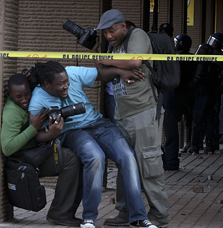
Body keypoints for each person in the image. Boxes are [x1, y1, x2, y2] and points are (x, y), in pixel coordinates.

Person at [28, 61, 156, 228]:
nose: (66, 85)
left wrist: (119, 71)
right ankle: (89, 218)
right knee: (95, 157)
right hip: (73, 132)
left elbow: (100, 74)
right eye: (60, 84)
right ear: (46, 84)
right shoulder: (38, 99)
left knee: (127, 156)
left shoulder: (71, 73)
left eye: (67, 81)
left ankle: (138, 217)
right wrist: (51, 133)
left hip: (98, 123)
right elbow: (34, 133)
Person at [90, 9, 169, 227]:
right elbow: (101, 70)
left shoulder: (137, 36)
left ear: (123, 25)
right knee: (125, 164)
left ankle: (159, 214)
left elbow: (134, 62)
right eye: (105, 33)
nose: (108, 36)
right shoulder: (114, 46)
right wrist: (112, 63)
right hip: (122, 114)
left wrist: (109, 62)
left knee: (148, 163)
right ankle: (125, 211)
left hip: (144, 111)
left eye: (112, 30)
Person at [0, 73, 83, 227]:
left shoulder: (31, 98)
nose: (24, 99)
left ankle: (64, 212)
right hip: (24, 160)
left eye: (27, 94)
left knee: (80, 156)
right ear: (10, 95)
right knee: (70, 160)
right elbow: (7, 148)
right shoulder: (12, 112)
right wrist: (34, 128)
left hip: (36, 151)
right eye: (18, 96)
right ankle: (59, 213)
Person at [158, 23, 181, 170]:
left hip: (164, 90)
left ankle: (169, 159)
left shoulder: (157, 48)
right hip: (169, 90)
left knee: (166, 126)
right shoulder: (173, 49)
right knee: (169, 126)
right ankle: (170, 159)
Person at [174, 34, 194, 154]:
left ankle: (185, 144)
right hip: (189, 92)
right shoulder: (192, 58)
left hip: (179, 91)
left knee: (176, 119)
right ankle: (189, 143)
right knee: (188, 120)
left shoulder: (177, 58)